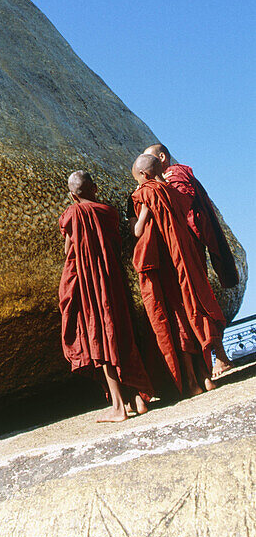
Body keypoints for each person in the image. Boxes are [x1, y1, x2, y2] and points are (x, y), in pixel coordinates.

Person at [131, 154, 233, 389]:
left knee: (177, 319)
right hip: (187, 261)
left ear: (144, 176)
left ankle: (190, 380)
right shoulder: (175, 193)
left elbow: (138, 231)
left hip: (166, 263)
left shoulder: (144, 194)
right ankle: (206, 377)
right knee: (195, 311)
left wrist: (141, 213)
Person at [59, 170, 153, 421]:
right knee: (121, 332)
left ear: (72, 195)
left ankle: (118, 407)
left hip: (89, 284)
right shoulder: (108, 212)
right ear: (96, 189)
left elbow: (69, 249)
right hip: (113, 280)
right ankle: (136, 398)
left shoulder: (71, 214)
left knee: (99, 337)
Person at [142, 143, 239, 289]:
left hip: (191, 230)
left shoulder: (174, 172)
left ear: (162, 157)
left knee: (195, 276)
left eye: (150, 159)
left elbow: (182, 200)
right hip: (188, 230)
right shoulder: (166, 176)